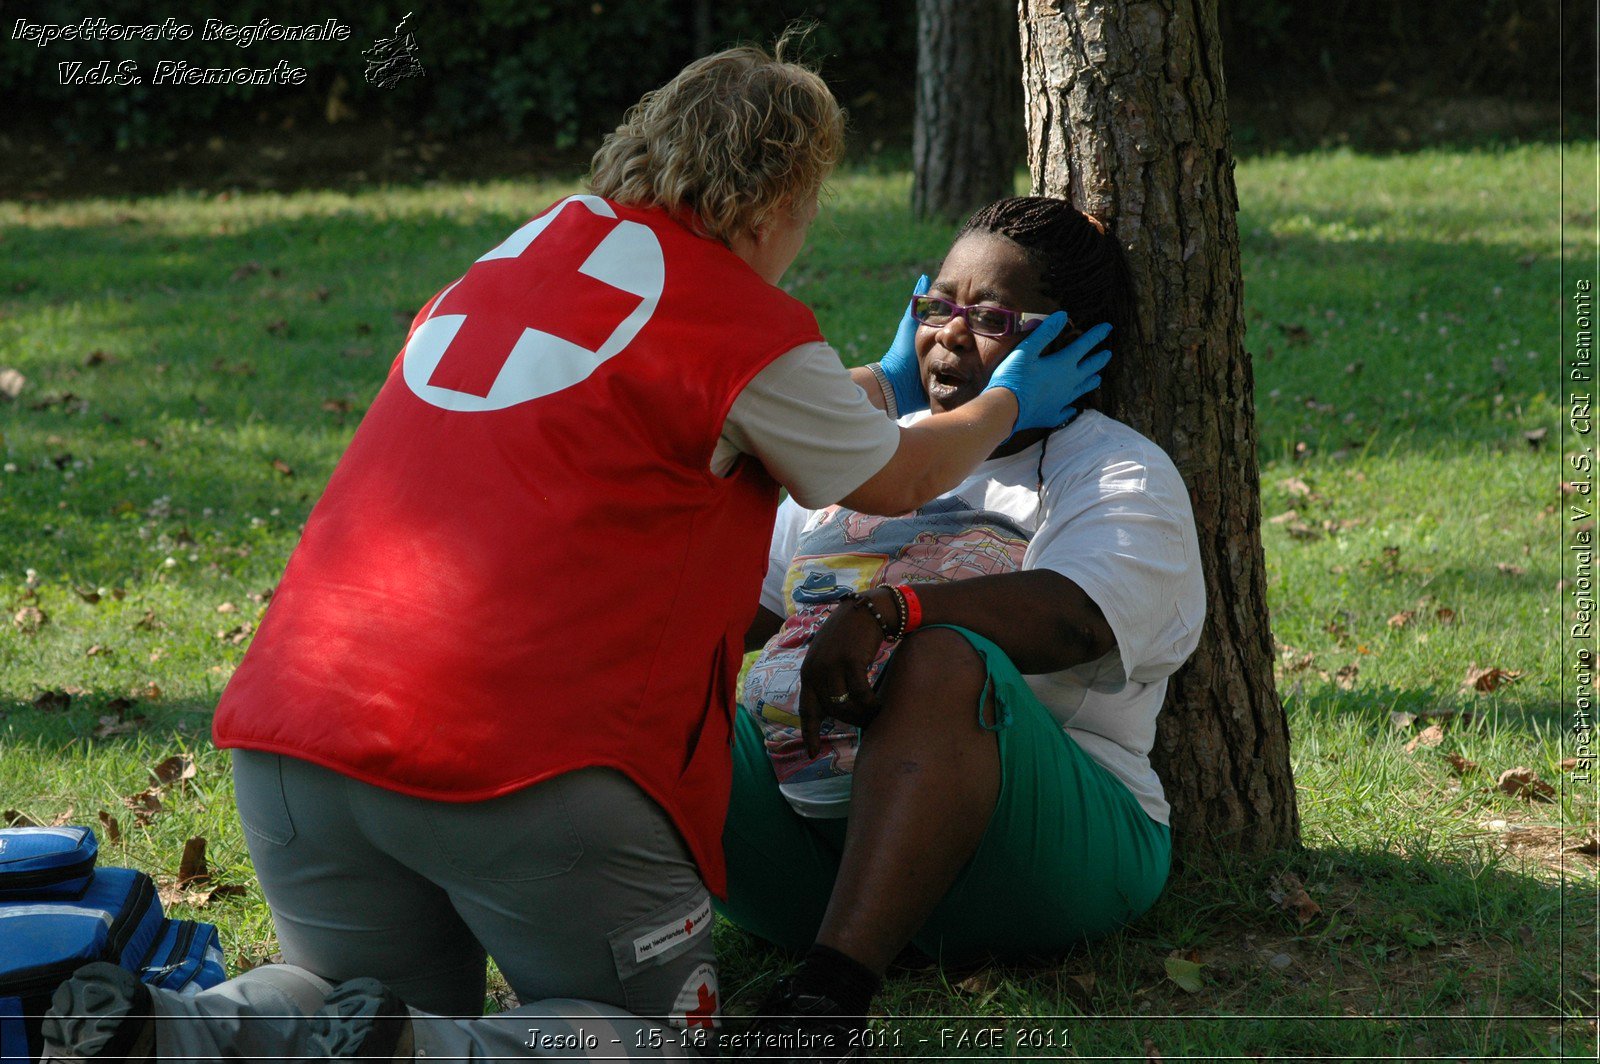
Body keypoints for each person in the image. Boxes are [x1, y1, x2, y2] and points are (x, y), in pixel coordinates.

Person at [41, 43, 1115, 1064]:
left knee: (337, 992)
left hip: (296, 736)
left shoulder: (505, 266)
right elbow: (890, 476)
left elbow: (707, 411)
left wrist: (873, 379)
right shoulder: (737, 316)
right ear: (784, 198)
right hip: (522, 763)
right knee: (641, 1032)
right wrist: (1015, 395)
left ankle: (171, 1030)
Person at [717, 196, 1206, 1056]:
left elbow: (1073, 619)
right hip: (803, 860)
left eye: (990, 318)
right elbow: (736, 612)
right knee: (663, 680)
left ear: (1068, 343)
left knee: (943, 658)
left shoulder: (1116, 467)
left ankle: (827, 1002)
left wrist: (892, 610)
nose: (948, 333)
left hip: (1029, 863)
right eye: (937, 306)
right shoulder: (875, 451)